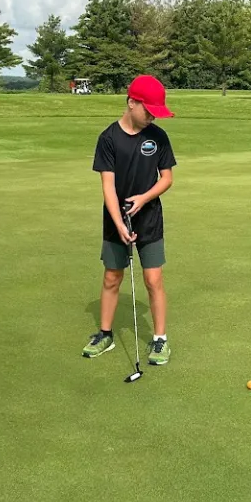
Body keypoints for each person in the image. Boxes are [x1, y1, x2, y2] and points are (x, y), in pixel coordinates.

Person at [82, 75, 176, 366]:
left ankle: (160, 339)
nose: (152, 117)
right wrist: (119, 223)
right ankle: (105, 334)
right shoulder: (109, 139)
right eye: (148, 110)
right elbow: (108, 187)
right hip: (116, 218)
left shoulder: (158, 137)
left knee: (153, 279)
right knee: (112, 276)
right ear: (131, 102)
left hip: (149, 217)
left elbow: (167, 178)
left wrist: (144, 198)